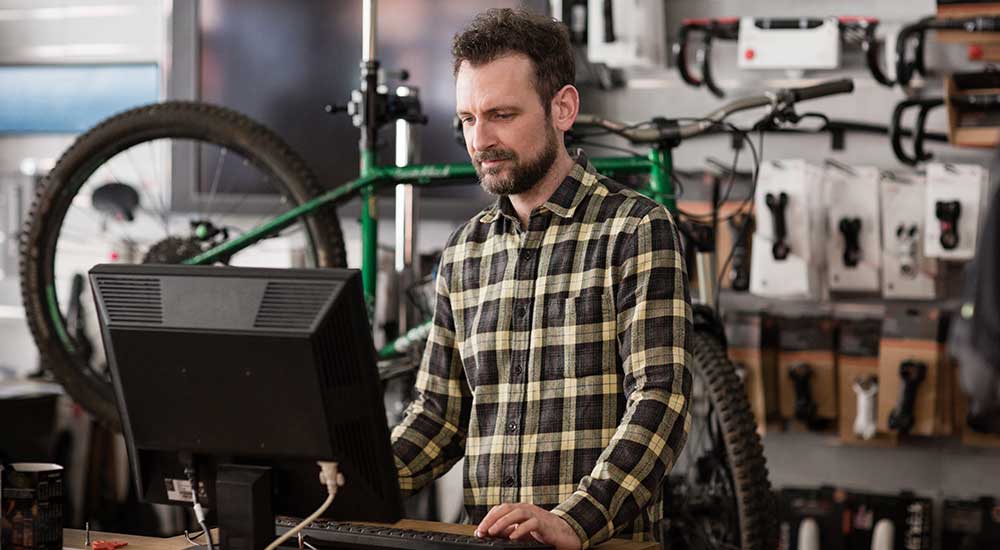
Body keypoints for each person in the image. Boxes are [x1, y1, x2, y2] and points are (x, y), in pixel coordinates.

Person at [390, 8, 692, 549]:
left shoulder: (637, 229)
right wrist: (346, 482)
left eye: (501, 114)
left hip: (602, 541)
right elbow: (437, 415)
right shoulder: (464, 251)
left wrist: (576, 519)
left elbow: (660, 400)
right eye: (467, 119)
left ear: (563, 108)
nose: (480, 140)